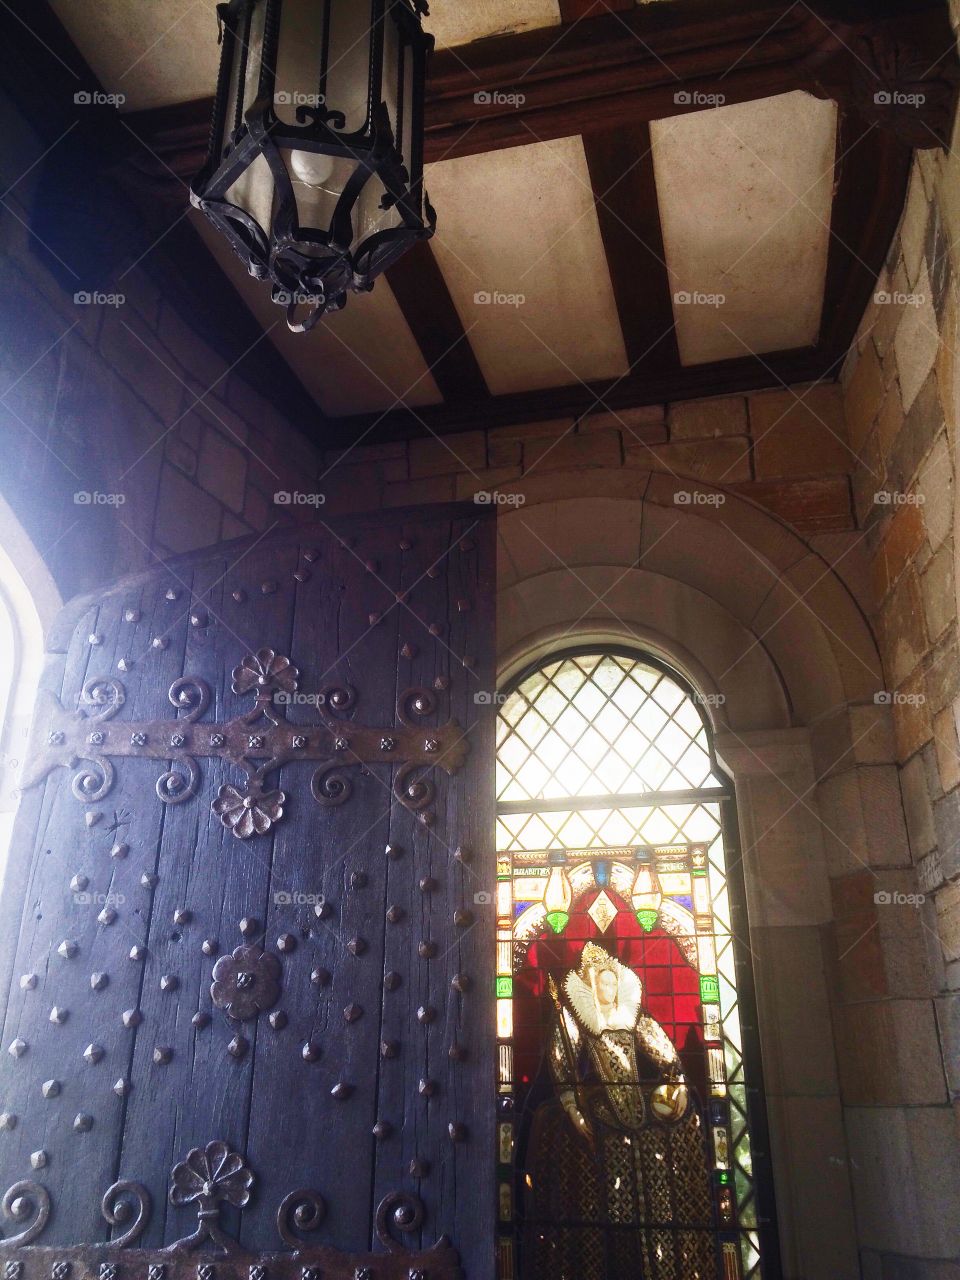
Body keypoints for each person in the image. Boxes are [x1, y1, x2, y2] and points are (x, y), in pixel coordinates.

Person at [523, 941, 718, 1279]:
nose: (608, 987)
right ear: (590, 985)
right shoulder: (573, 1020)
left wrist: (678, 1082)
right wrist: (571, 1105)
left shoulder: (634, 1019)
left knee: (676, 1133)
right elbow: (561, 1064)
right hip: (600, 1108)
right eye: (602, 981)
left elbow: (666, 1056)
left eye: (613, 982)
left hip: (640, 1108)